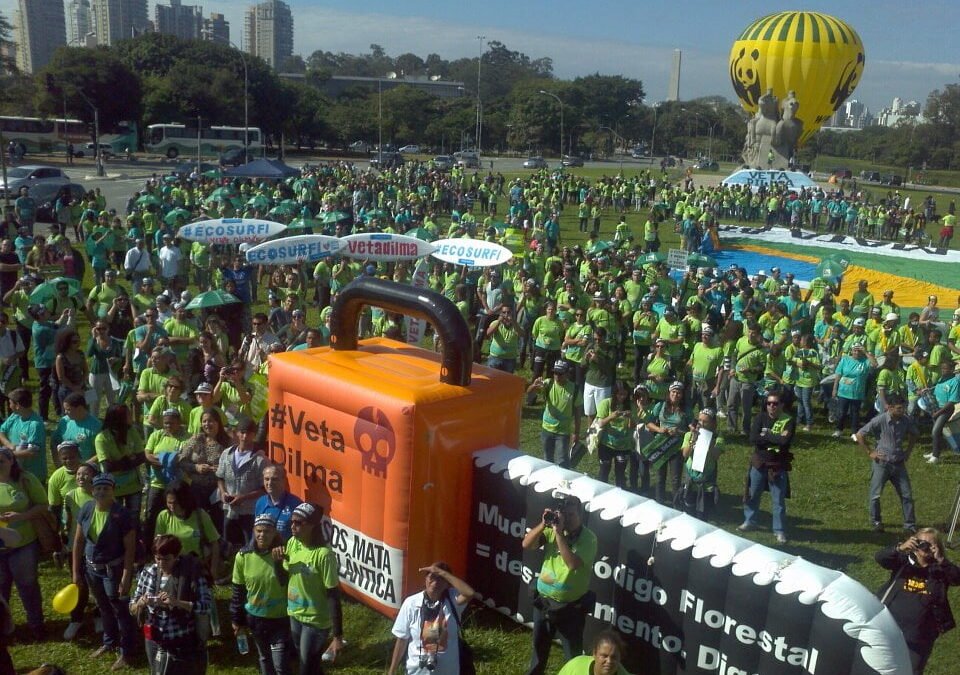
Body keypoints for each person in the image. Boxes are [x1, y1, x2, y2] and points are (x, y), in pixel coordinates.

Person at [521, 493, 597, 675]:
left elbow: (572, 564)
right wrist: (543, 524)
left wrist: (558, 534)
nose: (568, 520)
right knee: (539, 649)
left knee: (573, 655)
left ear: (581, 516)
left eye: (572, 515)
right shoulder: (553, 528)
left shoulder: (588, 538)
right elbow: (526, 544)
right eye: (565, 515)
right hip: (544, 602)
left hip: (569, 608)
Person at [73, 473, 137, 670]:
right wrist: (76, 571)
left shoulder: (122, 515)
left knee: (120, 609)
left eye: (105, 489)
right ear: (92, 491)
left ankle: (128, 652)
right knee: (103, 607)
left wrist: (126, 576)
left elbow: (130, 549)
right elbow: (78, 542)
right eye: (98, 488)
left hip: (113, 570)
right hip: (92, 570)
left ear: (113, 491)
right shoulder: (86, 509)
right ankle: (110, 642)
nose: (101, 492)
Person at [876, 528, 960, 673]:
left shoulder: (941, 569)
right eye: (922, 543)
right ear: (914, 543)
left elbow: (957, 578)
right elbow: (880, 558)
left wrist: (941, 560)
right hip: (889, 627)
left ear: (937, 548)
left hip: (920, 637)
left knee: (911, 671)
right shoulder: (903, 562)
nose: (925, 547)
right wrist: (900, 548)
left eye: (931, 544)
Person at [274, 503, 344, 675]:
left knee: (305, 667)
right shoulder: (292, 543)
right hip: (295, 613)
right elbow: (283, 579)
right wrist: (277, 562)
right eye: (292, 522)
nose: (293, 526)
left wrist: (337, 636)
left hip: (315, 621)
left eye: (299, 523)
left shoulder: (323, 555)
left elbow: (333, 595)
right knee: (309, 662)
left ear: (312, 525)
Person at [129, 534, 213, 675]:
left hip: (182, 640)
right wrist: (140, 604)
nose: (161, 564)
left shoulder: (191, 574)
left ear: (176, 556)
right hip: (154, 640)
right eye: (157, 559)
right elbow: (132, 606)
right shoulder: (148, 573)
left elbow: (206, 606)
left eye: (166, 559)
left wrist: (177, 603)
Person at [388, 561, 477, 675]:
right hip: (417, 671)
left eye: (441, 578)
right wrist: (391, 671)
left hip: (448, 671)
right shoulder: (411, 603)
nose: (435, 582)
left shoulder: (453, 599)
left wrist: (443, 573)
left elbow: (469, 593)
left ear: (447, 584)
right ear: (425, 579)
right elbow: (402, 640)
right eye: (432, 577)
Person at [231, 513, 290, 675]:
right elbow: (238, 590)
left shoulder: (283, 553)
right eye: (259, 531)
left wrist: (278, 563)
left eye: (267, 531)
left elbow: (286, 581)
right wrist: (237, 619)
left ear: (274, 533)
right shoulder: (243, 556)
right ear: (253, 531)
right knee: (264, 657)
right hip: (256, 618)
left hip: (280, 618)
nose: (262, 535)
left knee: (281, 664)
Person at [0, 446, 47, 638]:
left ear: (11, 461)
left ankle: (36, 625)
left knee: (27, 585)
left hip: (24, 545)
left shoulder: (26, 479)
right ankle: (4, 627)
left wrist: (22, 516)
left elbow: (43, 505)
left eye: (1, 460)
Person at [855, 394, 918, 533]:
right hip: (882, 463)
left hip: (898, 463)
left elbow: (914, 434)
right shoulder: (880, 419)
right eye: (899, 408)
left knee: (907, 495)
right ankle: (876, 522)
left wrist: (908, 452)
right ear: (889, 408)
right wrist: (870, 452)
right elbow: (860, 434)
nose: (902, 411)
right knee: (875, 495)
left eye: (903, 408)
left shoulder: (905, 420)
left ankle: (910, 525)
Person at [740, 391, 796, 544]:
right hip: (759, 462)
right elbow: (753, 438)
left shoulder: (788, 421)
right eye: (769, 403)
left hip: (777, 466)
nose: (771, 406)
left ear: (782, 405)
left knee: (778, 500)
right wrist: (775, 438)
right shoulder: (760, 418)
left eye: (775, 403)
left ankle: (779, 531)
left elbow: (785, 442)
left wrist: (765, 436)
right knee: (753, 494)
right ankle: (750, 521)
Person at [217, 417, 268, 556]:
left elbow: (265, 489)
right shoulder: (227, 454)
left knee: (249, 545)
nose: (245, 436)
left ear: (254, 435)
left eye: (249, 433)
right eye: (242, 432)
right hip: (229, 509)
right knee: (228, 543)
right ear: (236, 433)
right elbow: (220, 477)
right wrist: (222, 493)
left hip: (249, 511)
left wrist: (244, 497)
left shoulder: (260, 459)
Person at [178, 409, 231, 533]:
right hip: (197, 487)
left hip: (218, 489)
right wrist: (196, 467)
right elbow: (181, 461)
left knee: (217, 521)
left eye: (211, 421)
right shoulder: (196, 439)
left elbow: (233, 464)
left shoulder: (227, 442)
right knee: (198, 519)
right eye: (204, 421)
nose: (207, 424)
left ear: (218, 422)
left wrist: (221, 469)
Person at [155, 483, 221, 580]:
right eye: (169, 503)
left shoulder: (201, 515)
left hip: (196, 568)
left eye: (175, 503)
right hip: (171, 570)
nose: (172, 506)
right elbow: (157, 546)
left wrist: (213, 570)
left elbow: (215, 544)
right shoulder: (163, 516)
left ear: (185, 500)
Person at [94, 404, 145, 516]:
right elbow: (108, 466)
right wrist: (130, 460)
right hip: (113, 488)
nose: (131, 417)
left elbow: (142, 457)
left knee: (133, 517)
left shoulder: (132, 431)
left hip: (134, 485)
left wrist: (119, 462)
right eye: (128, 414)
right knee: (115, 518)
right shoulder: (102, 438)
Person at [527, 359, 578, 468]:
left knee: (562, 461)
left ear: (567, 373)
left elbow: (578, 412)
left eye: (560, 374)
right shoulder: (548, 383)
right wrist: (534, 386)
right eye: (555, 373)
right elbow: (528, 392)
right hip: (547, 429)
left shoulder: (574, 389)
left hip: (563, 432)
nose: (557, 376)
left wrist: (576, 432)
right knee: (547, 460)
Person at [680, 409, 724, 522]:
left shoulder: (718, 438)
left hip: (706, 484)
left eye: (706, 422)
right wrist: (693, 439)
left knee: (702, 515)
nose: (702, 424)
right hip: (690, 481)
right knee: (688, 513)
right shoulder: (689, 435)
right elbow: (685, 454)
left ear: (713, 423)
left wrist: (706, 440)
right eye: (700, 420)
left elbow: (716, 456)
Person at [595, 381, 635, 489]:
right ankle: (601, 492)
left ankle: (620, 494)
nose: (622, 397)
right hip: (606, 444)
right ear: (614, 393)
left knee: (620, 475)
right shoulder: (606, 403)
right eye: (620, 394)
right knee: (604, 471)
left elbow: (633, 427)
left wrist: (630, 417)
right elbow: (599, 423)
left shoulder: (630, 405)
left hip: (623, 446)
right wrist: (611, 417)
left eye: (625, 394)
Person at [254, 465, 302, 543]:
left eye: (274, 479)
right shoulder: (260, 502)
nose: (269, 483)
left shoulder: (296, 504)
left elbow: (301, 535)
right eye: (266, 479)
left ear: (284, 480)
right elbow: (256, 530)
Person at [557, 629, 631, 675]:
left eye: (614, 657)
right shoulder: (575, 666)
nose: (609, 661)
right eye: (604, 656)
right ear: (594, 654)